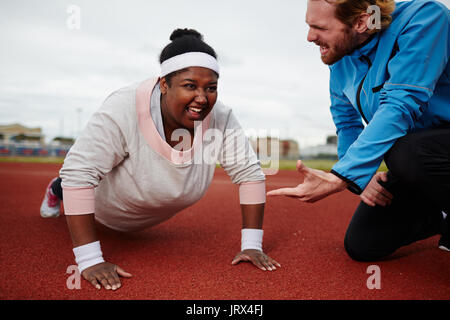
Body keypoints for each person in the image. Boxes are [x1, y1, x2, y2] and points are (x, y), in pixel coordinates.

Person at [40, 28, 280, 291]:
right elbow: (79, 173)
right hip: (106, 206)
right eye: (190, 86)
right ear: (164, 84)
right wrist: (89, 261)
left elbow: (250, 175)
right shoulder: (125, 106)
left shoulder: (220, 116)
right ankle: (56, 189)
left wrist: (252, 245)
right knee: (69, 182)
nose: (202, 97)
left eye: (211, 88)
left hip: (147, 209)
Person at [268, 0, 450, 261]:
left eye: (319, 27)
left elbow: (401, 103)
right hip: (424, 158)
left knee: (405, 153)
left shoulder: (425, 18)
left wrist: (344, 175)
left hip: (427, 151)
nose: (309, 37)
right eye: (309, 26)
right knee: (364, 243)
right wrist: (359, 176)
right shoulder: (340, 60)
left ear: (362, 22)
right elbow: (346, 122)